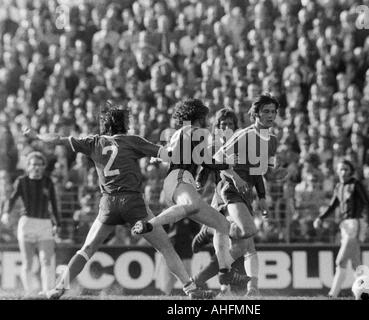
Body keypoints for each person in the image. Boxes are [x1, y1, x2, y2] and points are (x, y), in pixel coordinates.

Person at [23, 105, 215, 300]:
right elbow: (169, 154)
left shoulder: (93, 142)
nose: (130, 123)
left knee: (87, 249)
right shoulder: (132, 141)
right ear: (122, 123)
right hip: (133, 203)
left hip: (108, 204)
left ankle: (59, 288)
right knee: (165, 247)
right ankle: (191, 289)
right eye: (127, 120)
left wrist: (37, 136)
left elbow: (58, 139)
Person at [131, 98, 251, 294]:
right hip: (181, 179)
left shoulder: (178, 133)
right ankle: (150, 224)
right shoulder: (198, 133)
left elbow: (170, 154)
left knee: (222, 225)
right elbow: (206, 161)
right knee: (192, 205)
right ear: (200, 116)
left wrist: (157, 156)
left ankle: (224, 271)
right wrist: (231, 171)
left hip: (174, 183)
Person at [191, 97, 279, 296]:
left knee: (243, 244)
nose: (270, 115)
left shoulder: (271, 140)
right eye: (266, 111)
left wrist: (264, 193)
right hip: (225, 194)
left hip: (245, 195)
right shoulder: (229, 141)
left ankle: (216, 282)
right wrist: (200, 185)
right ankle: (237, 287)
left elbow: (260, 171)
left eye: (273, 111)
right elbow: (211, 164)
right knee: (244, 237)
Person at [1, 151, 60, 296]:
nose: (37, 167)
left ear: (44, 166)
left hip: (45, 224)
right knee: (28, 262)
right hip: (27, 223)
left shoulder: (48, 181)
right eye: (34, 164)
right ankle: (30, 293)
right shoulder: (22, 181)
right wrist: (6, 213)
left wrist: (57, 223)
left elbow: (53, 203)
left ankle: (47, 292)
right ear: (28, 166)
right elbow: (12, 198)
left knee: (46, 260)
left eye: (40, 165)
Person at [313, 159, 369, 298]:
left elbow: (368, 203)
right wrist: (320, 218)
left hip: (354, 223)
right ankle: (365, 292)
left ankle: (332, 294)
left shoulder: (356, 184)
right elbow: (332, 205)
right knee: (356, 262)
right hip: (345, 225)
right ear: (337, 171)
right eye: (341, 169)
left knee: (340, 260)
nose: (343, 172)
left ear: (351, 171)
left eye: (346, 169)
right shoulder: (339, 186)